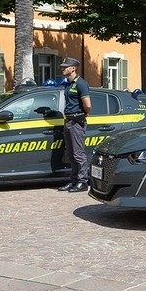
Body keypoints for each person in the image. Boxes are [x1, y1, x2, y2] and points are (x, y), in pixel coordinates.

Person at [58, 58, 92, 192]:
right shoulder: (68, 84)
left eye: (65, 67)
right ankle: (74, 180)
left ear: (73, 68)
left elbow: (88, 105)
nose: (62, 69)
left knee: (78, 153)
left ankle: (82, 181)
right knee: (71, 153)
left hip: (77, 121)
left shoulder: (81, 83)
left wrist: (82, 114)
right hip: (69, 121)